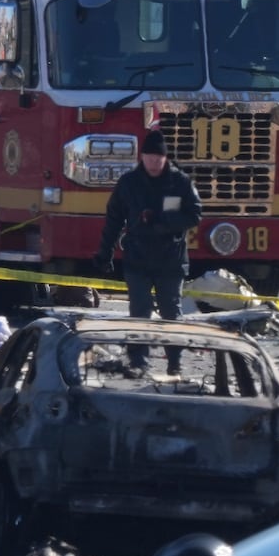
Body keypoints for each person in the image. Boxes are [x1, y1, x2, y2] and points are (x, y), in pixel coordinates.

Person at [93, 128, 203, 375]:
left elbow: (194, 214)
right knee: (139, 311)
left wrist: (163, 222)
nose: (154, 162)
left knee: (170, 313)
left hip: (170, 260)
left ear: (165, 158)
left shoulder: (180, 182)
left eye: (158, 157)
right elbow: (113, 220)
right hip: (137, 259)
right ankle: (139, 362)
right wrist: (104, 253)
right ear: (141, 157)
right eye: (150, 157)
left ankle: (174, 362)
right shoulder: (129, 184)